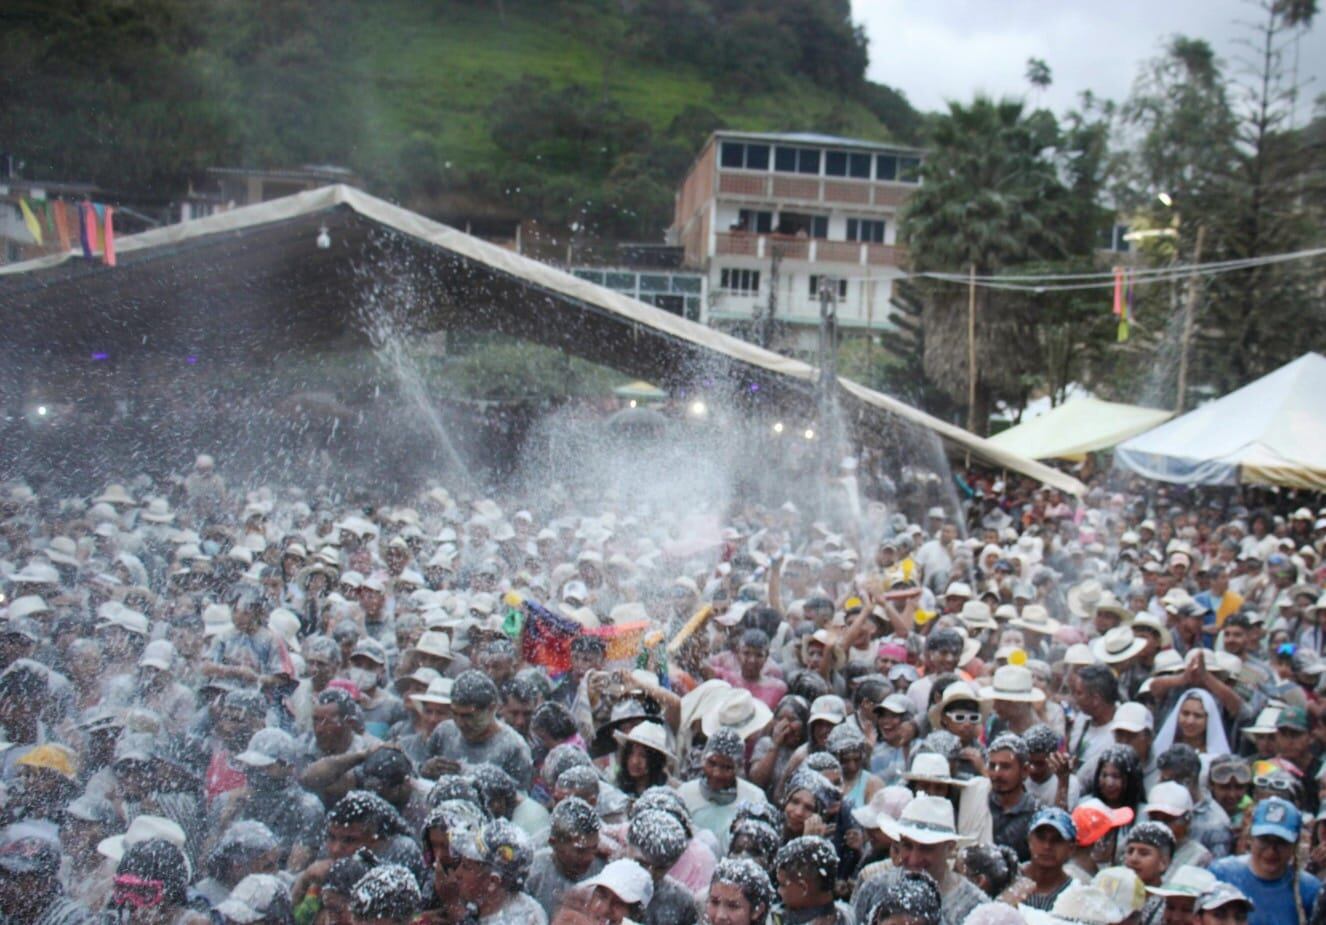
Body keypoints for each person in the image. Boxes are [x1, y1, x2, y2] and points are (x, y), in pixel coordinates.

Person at [1211, 797, 1321, 925]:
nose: (1271, 851)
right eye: (1264, 840)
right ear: (1251, 837)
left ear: (1294, 845)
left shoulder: (1309, 889)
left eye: (1281, 842)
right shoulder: (1222, 874)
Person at [422, 671, 533, 790]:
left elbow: (518, 800)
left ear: (491, 709)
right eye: (455, 714)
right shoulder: (443, 733)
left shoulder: (513, 748)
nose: (460, 723)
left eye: (468, 716)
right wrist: (426, 770)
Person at [676, 729, 766, 855]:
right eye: (712, 763)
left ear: (739, 767)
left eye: (727, 767)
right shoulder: (685, 793)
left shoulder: (754, 798)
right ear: (703, 759)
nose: (717, 773)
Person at [451, 818, 544, 925]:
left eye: (466, 867)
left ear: (493, 882)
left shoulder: (520, 919)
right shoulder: (485, 905)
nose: (457, 873)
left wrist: (452, 906)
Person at [525, 798, 604, 920]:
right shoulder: (532, 873)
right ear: (554, 843)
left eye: (594, 848)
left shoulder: (604, 872)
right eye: (580, 851)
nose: (590, 857)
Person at [999, 807, 1077, 910]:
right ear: (1029, 840)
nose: (1047, 846)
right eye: (1041, 837)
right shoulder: (1006, 878)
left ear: (1071, 848)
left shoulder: (1074, 893)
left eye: (1057, 840)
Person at [986, 732, 1041, 863]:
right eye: (992, 766)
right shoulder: (979, 804)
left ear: (1025, 771)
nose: (997, 774)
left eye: (1005, 767)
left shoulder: (1036, 814)